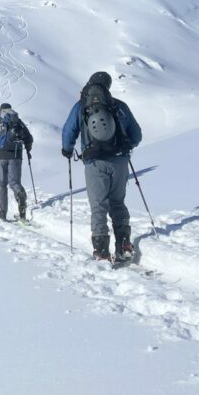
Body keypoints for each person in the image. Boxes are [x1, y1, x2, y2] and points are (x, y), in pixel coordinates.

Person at [61, 72, 143, 262]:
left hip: (94, 163)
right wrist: (126, 144)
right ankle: (124, 245)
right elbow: (137, 135)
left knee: (98, 207)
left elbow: (68, 131)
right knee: (117, 202)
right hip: (120, 161)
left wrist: (67, 150)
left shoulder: (80, 107)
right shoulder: (119, 106)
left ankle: (102, 253)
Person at [0, 103, 34, 221]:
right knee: (14, 182)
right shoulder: (17, 122)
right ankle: (20, 197)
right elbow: (29, 138)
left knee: (2, 183)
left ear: (0, 111)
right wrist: (28, 150)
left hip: (0, 156)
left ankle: (2, 215)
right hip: (15, 155)